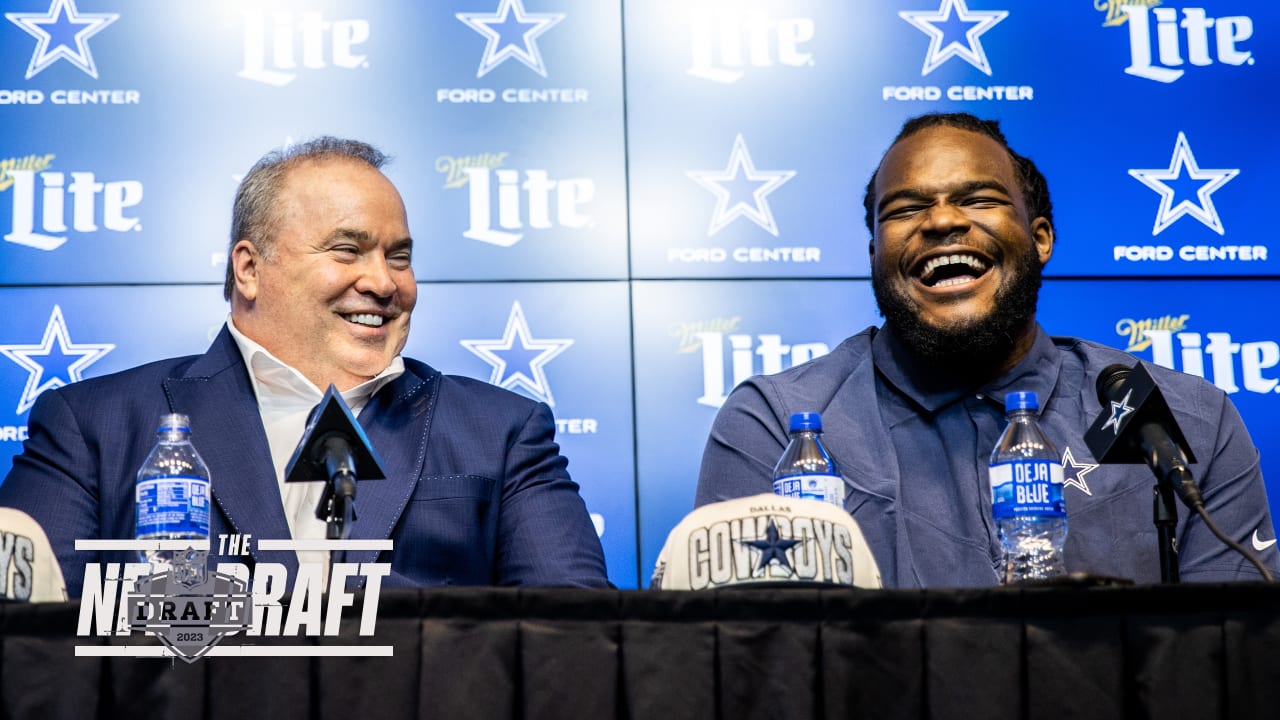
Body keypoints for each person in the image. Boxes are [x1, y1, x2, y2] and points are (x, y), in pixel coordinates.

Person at [0, 137, 609, 597]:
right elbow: (34, 647)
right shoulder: (93, 425)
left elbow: (574, 644)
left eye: (399, 257)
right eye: (347, 251)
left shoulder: (503, 429)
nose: (382, 282)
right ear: (249, 269)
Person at [695, 112, 1279, 587]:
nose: (943, 221)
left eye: (977, 199)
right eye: (905, 210)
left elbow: (1230, 653)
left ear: (1041, 238)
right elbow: (755, 659)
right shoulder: (777, 424)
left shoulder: (1178, 416)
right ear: (874, 254)